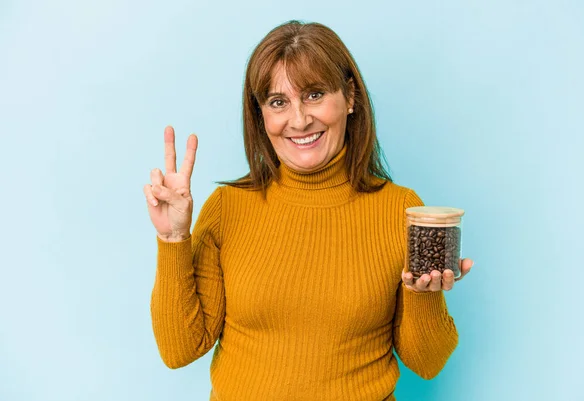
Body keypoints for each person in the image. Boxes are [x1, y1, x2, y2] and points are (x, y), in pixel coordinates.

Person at [143, 20, 474, 401]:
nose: (299, 120)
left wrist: (423, 293)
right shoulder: (227, 208)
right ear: (261, 115)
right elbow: (179, 350)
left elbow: (428, 363)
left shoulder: (400, 208)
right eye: (278, 102)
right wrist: (172, 239)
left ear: (350, 97)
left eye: (315, 94)